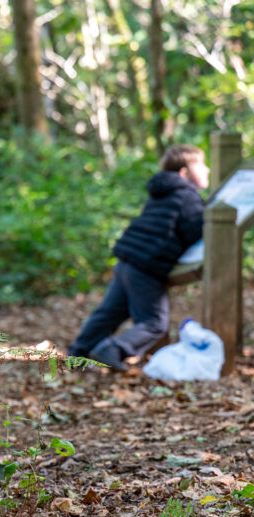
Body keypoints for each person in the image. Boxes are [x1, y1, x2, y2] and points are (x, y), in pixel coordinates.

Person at [68, 144, 209, 369]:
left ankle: (78, 353)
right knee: (154, 323)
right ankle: (113, 349)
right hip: (146, 267)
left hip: (127, 261)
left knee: (108, 313)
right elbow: (195, 230)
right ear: (184, 173)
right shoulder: (187, 196)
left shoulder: (162, 193)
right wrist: (209, 218)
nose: (207, 169)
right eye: (201, 165)